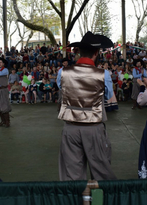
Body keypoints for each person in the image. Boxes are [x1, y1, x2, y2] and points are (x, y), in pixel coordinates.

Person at [57, 31, 117, 181]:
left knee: (72, 175)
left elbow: (62, 89)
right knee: (101, 172)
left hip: (70, 128)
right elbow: (109, 96)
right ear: (96, 53)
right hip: (94, 128)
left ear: (79, 52)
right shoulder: (104, 74)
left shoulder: (63, 72)